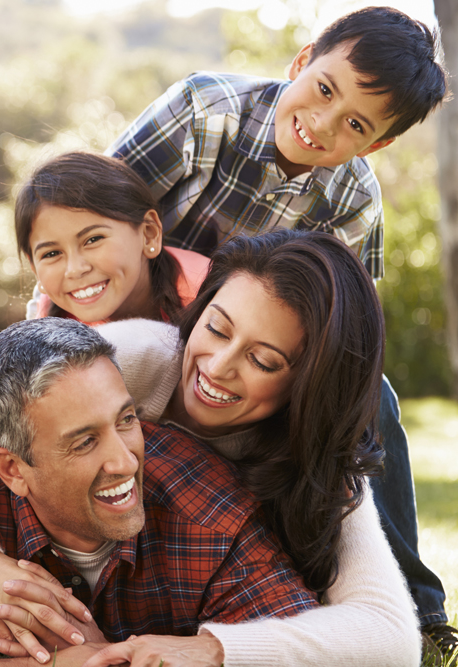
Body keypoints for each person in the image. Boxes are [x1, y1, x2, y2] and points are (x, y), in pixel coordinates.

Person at [0, 230, 421, 666]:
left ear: (308, 384)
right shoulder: (132, 358)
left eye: (264, 360)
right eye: (218, 329)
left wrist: (213, 649)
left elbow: (391, 637)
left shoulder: (318, 462)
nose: (218, 367)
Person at [103, 5, 453, 653]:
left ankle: (414, 603)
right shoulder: (206, 111)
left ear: (376, 144)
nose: (322, 123)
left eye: (355, 124)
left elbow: (343, 333)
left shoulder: (354, 199)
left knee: (372, 396)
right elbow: (93, 218)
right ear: (300, 62)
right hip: (142, 318)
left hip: (259, 359)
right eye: (324, 89)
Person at [0, 317, 319, 667]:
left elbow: (300, 641)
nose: (125, 461)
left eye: (126, 420)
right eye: (83, 441)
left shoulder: (211, 511)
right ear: (14, 470)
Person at [13, 151, 209, 327]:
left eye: (93, 239)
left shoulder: (210, 297)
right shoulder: (52, 320)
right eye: (52, 253)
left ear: (149, 234)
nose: (75, 269)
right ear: (35, 269)